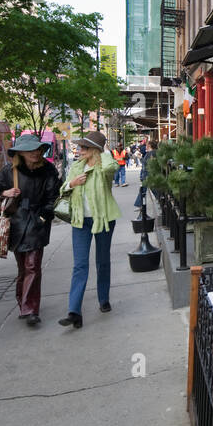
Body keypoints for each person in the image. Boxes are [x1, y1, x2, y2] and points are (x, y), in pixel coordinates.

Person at [0, 135, 61, 327]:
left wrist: (44, 216)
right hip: (16, 223)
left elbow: (53, 197)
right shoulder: (9, 170)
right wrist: (5, 192)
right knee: (23, 268)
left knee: (33, 266)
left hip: (37, 222)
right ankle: (23, 302)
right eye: (30, 150)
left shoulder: (48, 170)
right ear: (20, 153)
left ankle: (30, 309)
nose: (35, 153)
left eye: (37, 149)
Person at [60, 131, 121, 329]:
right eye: (80, 147)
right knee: (80, 265)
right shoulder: (76, 167)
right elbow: (63, 189)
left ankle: (104, 299)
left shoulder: (104, 166)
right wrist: (72, 183)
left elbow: (113, 166)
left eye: (84, 147)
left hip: (103, 219)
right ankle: (74, 311)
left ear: (94, 149)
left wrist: (102, 151)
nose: (80, 150)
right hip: (80, 221)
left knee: (102, 261)